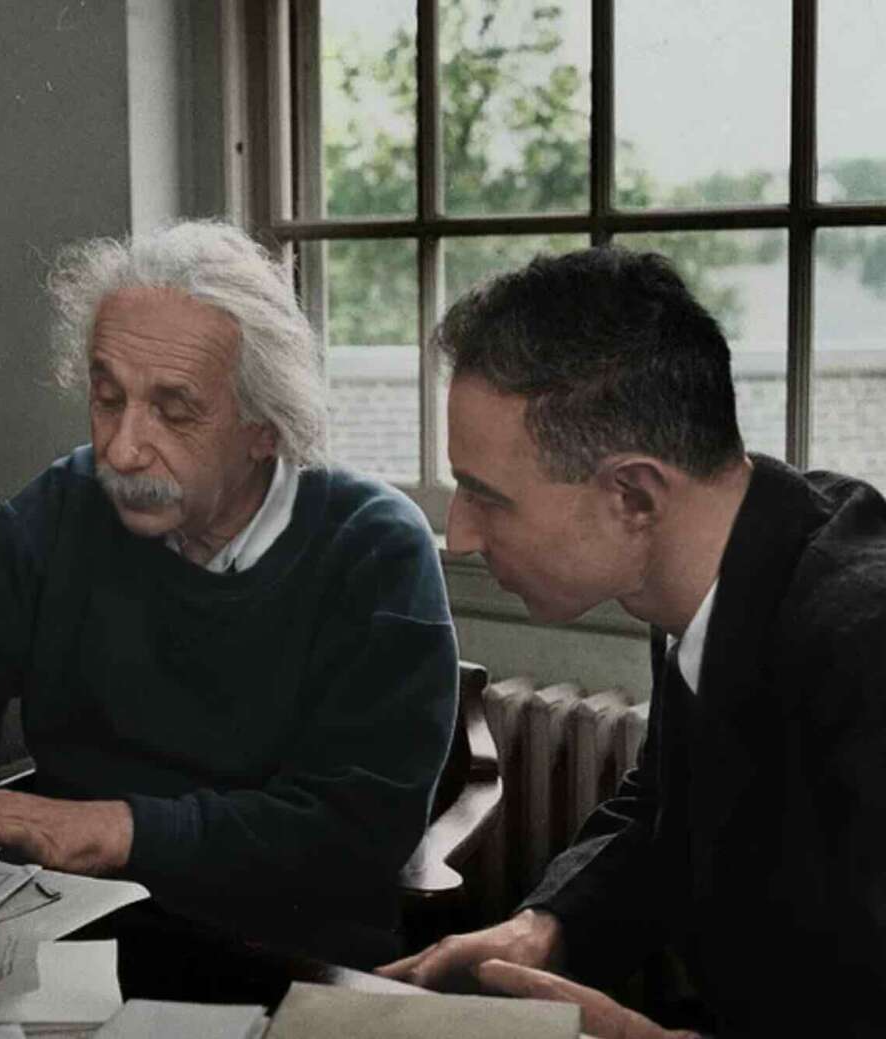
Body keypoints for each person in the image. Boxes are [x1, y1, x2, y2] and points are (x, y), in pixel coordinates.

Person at [0, 220, 458, 964]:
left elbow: (354, 829)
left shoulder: (372, 545)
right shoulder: (68, 503)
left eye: (174, 409)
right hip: (73, 934)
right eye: (107, 398)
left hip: (285, 952)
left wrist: (111, 827)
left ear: (266, 426)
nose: (121, 448)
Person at [379, 247, 886, 1037]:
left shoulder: (865, 640)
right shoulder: (716, 556)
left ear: (635, 496)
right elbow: (667, 806)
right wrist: (546, 925)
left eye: (485, 496)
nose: (461, 536)